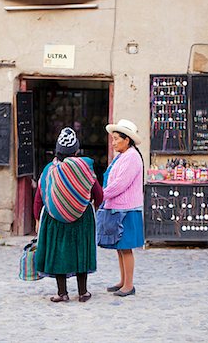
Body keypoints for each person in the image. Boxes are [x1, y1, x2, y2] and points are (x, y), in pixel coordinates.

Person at [33, 127, 103, 303]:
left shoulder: (49, 169)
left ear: (57, 150)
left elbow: (38, 198)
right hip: (82, 217)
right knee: (81, 251)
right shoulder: (85, 168)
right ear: (77, 150)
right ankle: (83, 292)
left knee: (59, 252)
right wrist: (89, 207)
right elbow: (99, 194)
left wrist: (36, 219)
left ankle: (62, 293)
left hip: (54, 218)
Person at [98, 119, 144, 297]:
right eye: (113, 138)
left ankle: (129, 284)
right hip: (118, 208)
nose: (113, 142)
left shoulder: (131, 157)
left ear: (127, 140)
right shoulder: (122, 156)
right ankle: (123, 280)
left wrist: (102, 195)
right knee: (120, 247)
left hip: (127, 209)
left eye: (117, 139)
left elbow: (120, 184)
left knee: (126, 247)